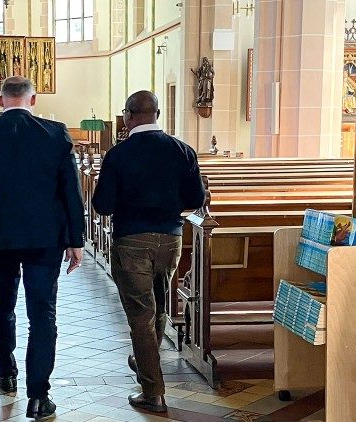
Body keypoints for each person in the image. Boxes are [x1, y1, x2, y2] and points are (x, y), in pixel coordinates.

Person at [0, 76, 85, 420]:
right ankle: (39, 396)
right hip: (45, 239)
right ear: (33, 99)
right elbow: (71, 193)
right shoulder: (56, 133)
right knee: (42, 313)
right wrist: (77, 240)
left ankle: (6, 373)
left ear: (1, 100)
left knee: (0, 307)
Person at [92, 90, 205, 413]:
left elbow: (102, 205)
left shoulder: (119, 155)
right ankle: (146, 360)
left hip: (132, 242)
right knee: (158, 305)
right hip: (170, 240)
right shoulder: (183, 150)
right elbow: (196, 200)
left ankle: (152, 392)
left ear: (128, 116)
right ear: (158, 113)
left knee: (141, 315)